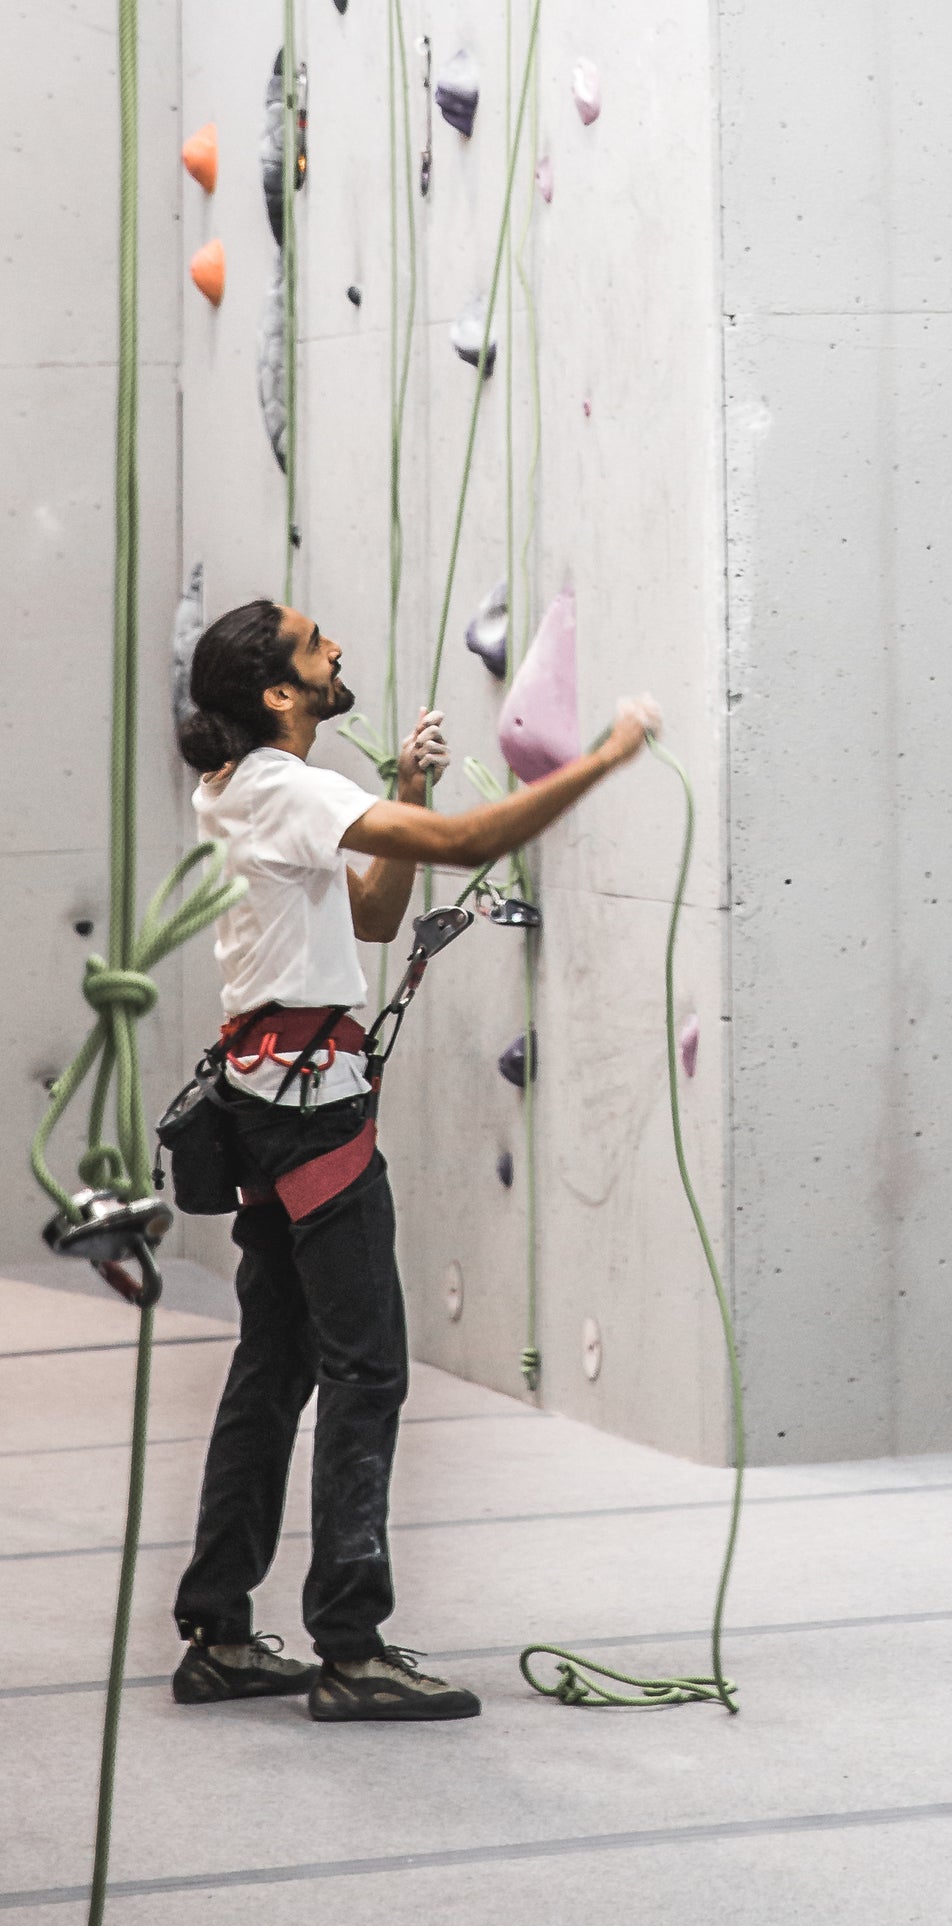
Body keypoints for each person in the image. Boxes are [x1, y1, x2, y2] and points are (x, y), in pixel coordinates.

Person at [168, 595, 657, 1722]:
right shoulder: (285, 787)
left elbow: (377, 919)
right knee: (368, 1369)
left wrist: (408, 785)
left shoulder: (247, 787)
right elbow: (473, 849)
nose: (335, 648)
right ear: (280, 693)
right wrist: (606, 757)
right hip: (311, 1114)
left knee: (275, 1368)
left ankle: (220, 1632)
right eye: (314, 646)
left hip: (269, 1101)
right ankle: (352, 1648)